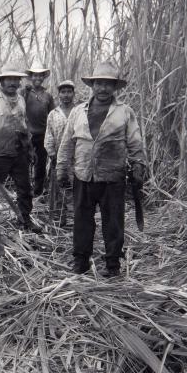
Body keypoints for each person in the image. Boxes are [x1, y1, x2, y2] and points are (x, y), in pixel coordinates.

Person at [57, 62, 146, 277]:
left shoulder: (125, 112)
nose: (103, 88)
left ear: (115, 87)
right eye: (99, 83)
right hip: (83, 175)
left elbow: (135, 143)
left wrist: (138, 165)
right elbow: (67, 143)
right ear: (92, 85)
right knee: (81, 221)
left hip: (112, 177)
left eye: (108, 84)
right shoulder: (78, 112)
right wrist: (61, 169)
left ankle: (113, 265)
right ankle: (80, 261)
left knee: (113, 223)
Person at [0, 64, 42, 234]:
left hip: (20, 152)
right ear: (1, 81)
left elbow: (24, 125)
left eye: (16, 79)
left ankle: (25, 219)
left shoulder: (21, 99)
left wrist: (30, 149)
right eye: (9, 79)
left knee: (25, 188)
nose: (13, 83)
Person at [19, 59, 55, 196]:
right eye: (35, 75)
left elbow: (52, 114)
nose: (38, 77)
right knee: (24, 163)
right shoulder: (24, 92)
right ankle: (24, 190)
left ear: (43, 77)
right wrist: (26, 93)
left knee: (40, 164)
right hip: (26, 134)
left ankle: (38, 191)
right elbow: (18, 109)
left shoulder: (48, 95)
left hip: (42, 135)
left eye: (40, 75)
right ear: (31, 77)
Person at [44, 80, 76, 226]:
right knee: (58, 190)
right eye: (63, 92)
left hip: (76, 159)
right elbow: (49, 136)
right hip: (57, 158)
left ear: (73, 94)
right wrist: (52, 155)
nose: (66, 95)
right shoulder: (53, 114)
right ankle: (60, 220)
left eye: (69, 92)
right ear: (58, 95)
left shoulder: (80, 111)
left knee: (75, 190)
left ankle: (76, 219)